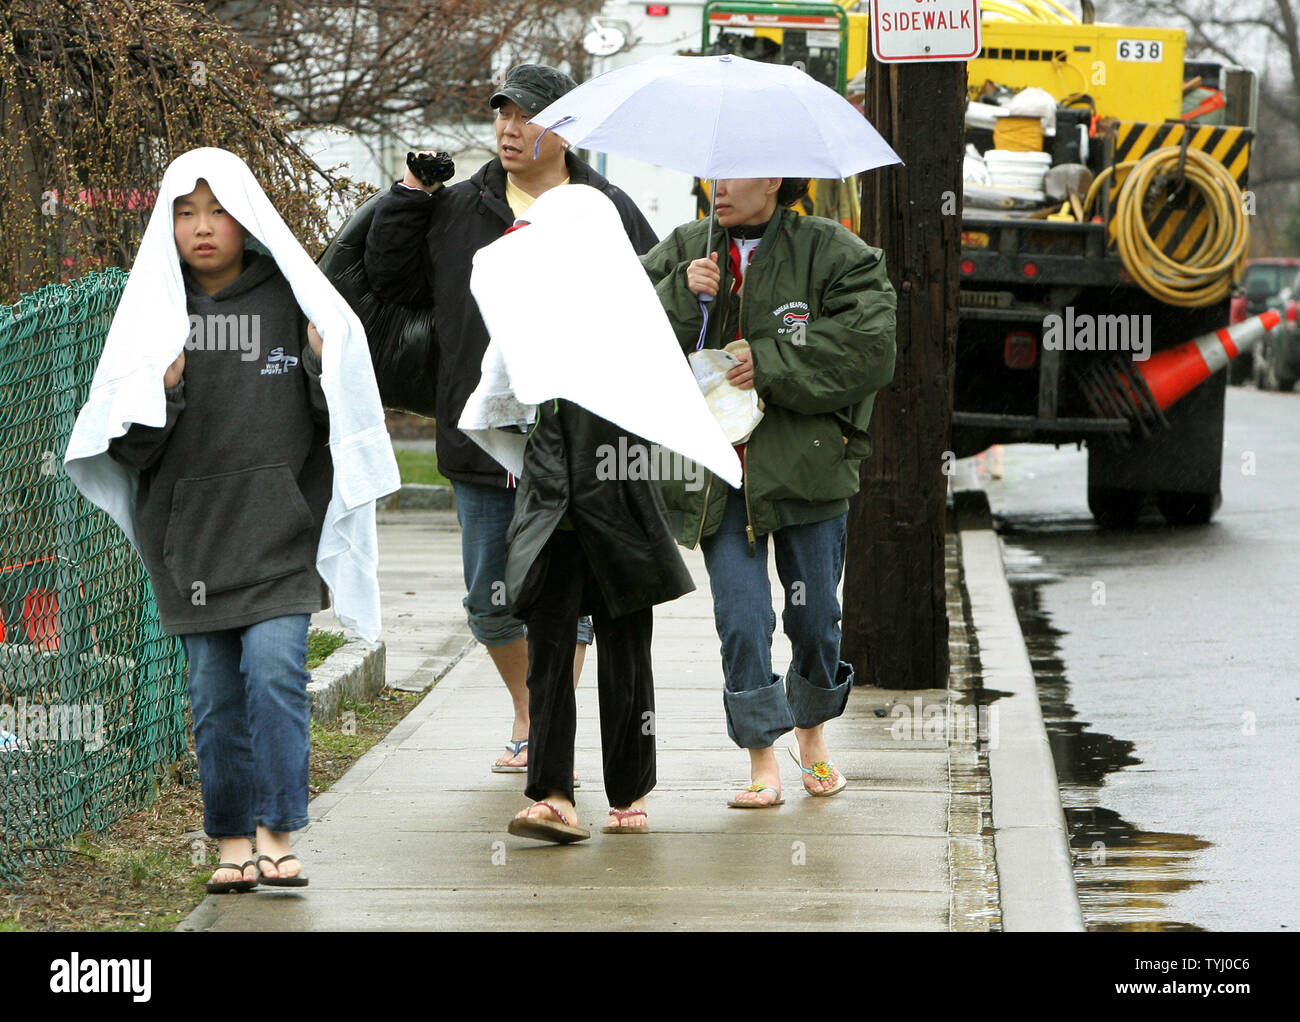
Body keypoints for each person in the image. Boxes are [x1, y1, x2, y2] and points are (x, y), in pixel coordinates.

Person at [78, 149, 397, 892]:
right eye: (184, 213)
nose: (201, 227)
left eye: (215, 210)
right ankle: (229, 841)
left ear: (244, 217)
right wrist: (164, 392)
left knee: (277, 674)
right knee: (217, 702)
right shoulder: (153, 316)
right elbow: (128, 450)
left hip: (280, 540)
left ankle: (278, 833)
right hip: (191, 548)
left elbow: (343, 423)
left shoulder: (294, 304)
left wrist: (323, 366)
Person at [364, 64, 659, 774]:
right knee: (490, 600)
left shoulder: (605, 206)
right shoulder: (460, 207)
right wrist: (409, 195)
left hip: (577, 439)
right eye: (503, 113)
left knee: (574, 596)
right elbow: (392, 279)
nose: (509, 127)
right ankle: (531, 710)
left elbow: (653, 300)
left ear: (566, 128)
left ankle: (543, 727)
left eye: (527, 115)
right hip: (483, 435)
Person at [641, 177, 896, 808]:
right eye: (714, 175)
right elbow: (621, 332)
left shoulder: (834, 252)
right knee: (743, 619)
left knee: (815, 619)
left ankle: (811, 735)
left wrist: (774, 360)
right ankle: (762, 758)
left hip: (807, 471)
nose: (718, 188)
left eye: (736, 174)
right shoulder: (684, 248)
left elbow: (871, 347)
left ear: (776, 180)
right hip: (718, 477)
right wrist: (679, 292)